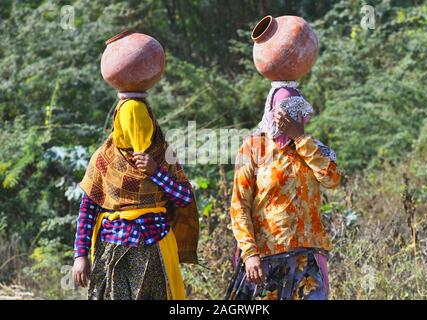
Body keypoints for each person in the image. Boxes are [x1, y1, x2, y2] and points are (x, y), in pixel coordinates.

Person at [72, 31, 199, 300]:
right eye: (130, 123)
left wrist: (156, 172)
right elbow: (88, 209)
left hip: (154, 248)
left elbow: (185, 197)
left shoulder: (163, 155)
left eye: (141, 122)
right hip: (112, 250)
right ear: (119, 123)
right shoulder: (105, 159)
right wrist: (80, 255)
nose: (136, 131)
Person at [225, 16, 340, 300]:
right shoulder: (254, 147)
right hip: (266, 262)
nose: (288, 117)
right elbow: (239, 206)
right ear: (271, 112)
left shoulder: (311, 149)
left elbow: (332, 179)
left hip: (306, 260)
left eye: (295, 111)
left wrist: (301, 138)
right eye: (284, 111)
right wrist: (249, 254)